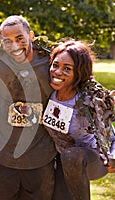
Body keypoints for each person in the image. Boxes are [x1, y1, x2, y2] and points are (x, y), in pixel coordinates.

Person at [0, 15, 57, 199]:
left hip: (41, 156)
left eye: (20, 38)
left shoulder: (50, 62)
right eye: (7, 41)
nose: (14, 46)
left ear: (31, 35)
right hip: (5, 156)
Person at [42, 39, 115, 200]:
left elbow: (111, 130)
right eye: (55, 65)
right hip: (63, 160)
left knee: (71, 156)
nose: (58, 72)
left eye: (67, 69)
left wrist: (114, 156)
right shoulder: (49, 92)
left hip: (92, 159)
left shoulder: (89, 100)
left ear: (79, 73)